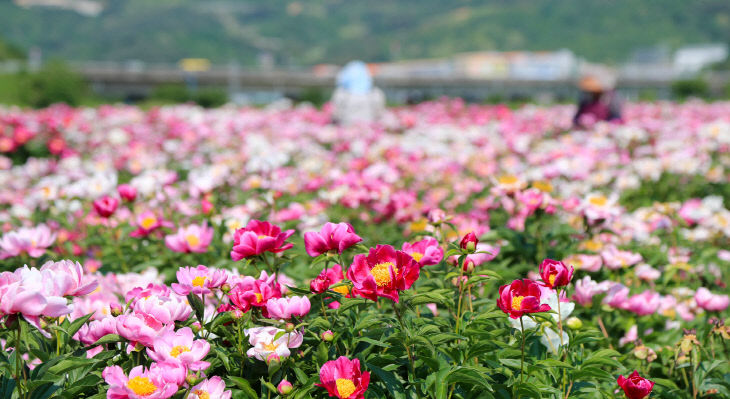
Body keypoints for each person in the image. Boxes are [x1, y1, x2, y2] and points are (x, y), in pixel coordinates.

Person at [331, 61, 385, 125]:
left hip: (345, 129)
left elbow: (335, 115)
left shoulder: (341, 93)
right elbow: (379, 114)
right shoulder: (376, 93)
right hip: (369, 129)